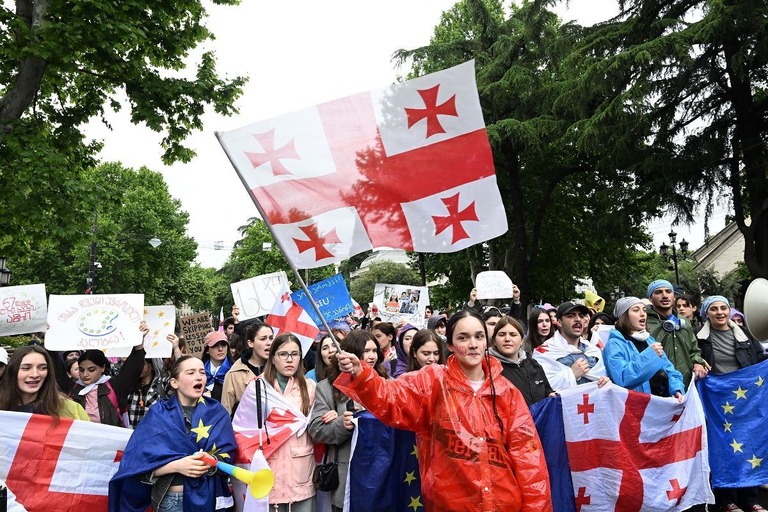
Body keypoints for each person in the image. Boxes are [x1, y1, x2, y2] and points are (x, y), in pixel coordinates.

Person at [334, 310, 552, 511]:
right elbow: (391, 397)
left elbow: (529, 460)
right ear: (450, 345)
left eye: (479, 336)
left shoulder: (508, 393)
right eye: (463, 337)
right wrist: (360, 373)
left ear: (487, 341)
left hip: (504, 504)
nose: (473, 344)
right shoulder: (432, 381)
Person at [109, 355, 237, 512]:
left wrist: (212, 462)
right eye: (190, 373)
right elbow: (137, 466)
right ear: (174, 382)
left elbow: (228, 455)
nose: (199, 377)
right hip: (170, 501)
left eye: (202, 372)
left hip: (208, 499)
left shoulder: (217, 412)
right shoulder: (158, 414)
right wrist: (177, 466)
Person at [696, 295, 767, 512]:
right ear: (705, 314)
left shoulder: (745, 334)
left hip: (747, 403)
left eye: (724, 308)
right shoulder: (698, 338)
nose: (720, 313)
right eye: (714, 309)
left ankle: (751, 499)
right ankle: (726, 500)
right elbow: (694, 357)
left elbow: (758, 358)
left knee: (750, 446)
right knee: (723, 448)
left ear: (730, 311)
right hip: (718, 403)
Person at [308, 331, 388, 512]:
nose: (372, 356)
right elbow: (315, 429)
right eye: (366, 351)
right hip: (348, 478)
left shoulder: (386, 382)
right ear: (351, 352)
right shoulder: (328, 387)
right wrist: (341, 425)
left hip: (382, 472)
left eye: (375, 350)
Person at [243, 333, 317, 512]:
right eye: (283, 354)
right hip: (269, 470)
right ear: (273, 358)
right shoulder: (257, 387)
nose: (289, 359)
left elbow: (316, 427)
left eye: (295, 354)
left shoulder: (310, 387)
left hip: (301, 474)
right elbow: (244, 429)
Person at [603, 297, 684, 400]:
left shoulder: (650, 340)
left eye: (644, 310)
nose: (642, 314)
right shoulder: (614, 344)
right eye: (636, 310)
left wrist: (676, 389)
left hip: (659, 406)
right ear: (624, 316)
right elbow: (622, 378)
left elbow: (670, 371)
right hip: (636, 409)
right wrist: (649, 356)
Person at [71, 329, 147, 427]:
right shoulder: (73, 389)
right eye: (81, 370)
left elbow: (132, 369)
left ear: (102, 368)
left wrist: (138, 345)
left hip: (110, 440)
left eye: (91, 370)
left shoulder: (114, 386)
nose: (85, 374)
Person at [532, 302, 610, 391]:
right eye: (571, 316)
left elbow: (603, 376)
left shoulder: (593, 350)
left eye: (581, 316)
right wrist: (571, 374)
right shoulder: (544, 353)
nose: (578, 319)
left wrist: (605, 381)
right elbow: (540, 388)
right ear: (559, 322)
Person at [645, 279, 709, 388]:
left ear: (673, 296)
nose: (664, 295)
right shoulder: (643, 322)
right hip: (657, 388)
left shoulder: (684, 321)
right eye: (658, 292)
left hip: (686, 385)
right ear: (650, 298)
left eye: (668, 291)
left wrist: (698, 362)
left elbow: (693, 350)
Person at [0, 345, 88, 420]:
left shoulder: (71, 409)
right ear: (12, 371)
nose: (35, 374)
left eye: (42, 368)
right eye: (26, 368)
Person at [489, 317, 555, 407]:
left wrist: (550, 394)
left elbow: (547, 390)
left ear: (521, 341)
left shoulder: (533, 365)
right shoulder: (488, 368)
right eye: (502, 334)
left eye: (513, 334)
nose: (507, 339)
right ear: (494, 341)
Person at [221, 322, 273, 415]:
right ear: (251, 343)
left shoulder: (278, 369)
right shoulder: (233, 374)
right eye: (263, 339)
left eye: (271, 338)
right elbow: (225, 413)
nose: (269, 343)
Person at [201, 331, 233, 402]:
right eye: (215, 345)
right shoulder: (199, 371)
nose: (220, 349)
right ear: (207, 350)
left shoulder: (235, 370)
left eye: (224, 345)